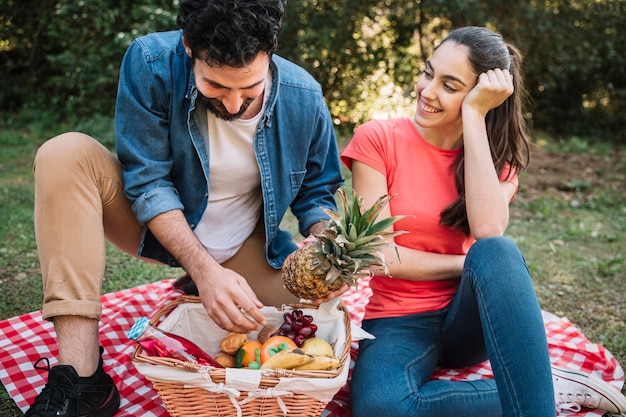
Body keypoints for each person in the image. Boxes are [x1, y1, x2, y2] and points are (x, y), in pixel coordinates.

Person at [26, 0, 343, 416]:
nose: (233, 105)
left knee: (313, 322)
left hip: (242, 244)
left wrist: (326, 243)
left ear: (270, 53)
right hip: (151, 227)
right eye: (215, 87)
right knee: (63, 154)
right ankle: (83, 380)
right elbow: (148, 181)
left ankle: (203, 289)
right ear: (188, 47)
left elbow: (318, 194)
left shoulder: (305, 97)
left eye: (250, 90)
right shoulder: (151, 62)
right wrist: (204, 270)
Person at [340, 26, 626, 417]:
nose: (427, 90)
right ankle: (545, 386)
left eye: (450, 85)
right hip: (400, 318)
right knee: (380, 407)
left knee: (497, 251)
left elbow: (489, 233)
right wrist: (467, 265)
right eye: (428, 73)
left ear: (479, 95)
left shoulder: (497, 162)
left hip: (470, 317)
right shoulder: (378, 140)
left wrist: (474, 118)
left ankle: (535, 404)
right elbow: (380, 255)